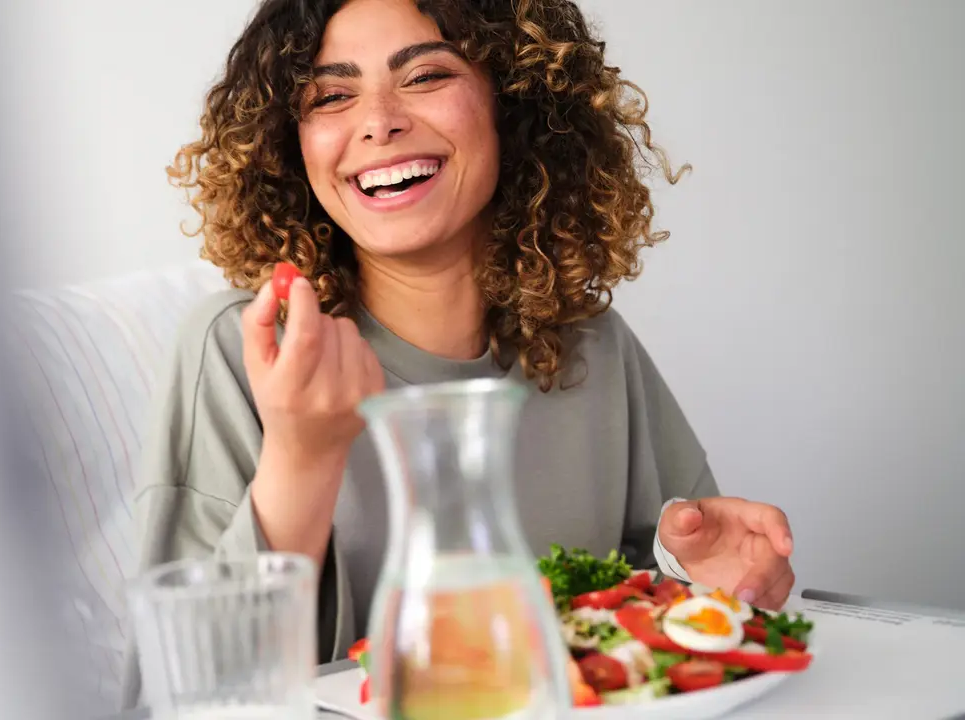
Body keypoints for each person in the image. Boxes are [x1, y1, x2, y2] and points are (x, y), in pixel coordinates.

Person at [131, 0, 795, 691]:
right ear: (288, 143)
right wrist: (303, 455)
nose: (378, 121)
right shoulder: (246, 351)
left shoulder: (593, 347)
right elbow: (184, 692)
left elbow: (658, 609)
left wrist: (704, 576)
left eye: (424, 77)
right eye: (331, 95)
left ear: (516, 105)